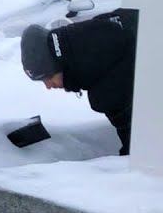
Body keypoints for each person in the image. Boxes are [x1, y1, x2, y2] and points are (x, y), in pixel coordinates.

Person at [21, 11, 138, 155]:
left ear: (59, 65)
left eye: (47, 78)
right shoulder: (104, 25)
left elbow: (139, 148)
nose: (48, 86)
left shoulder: (108, 93)